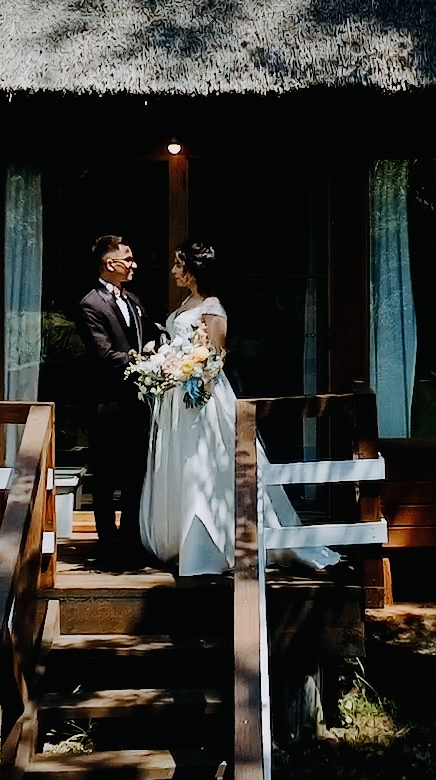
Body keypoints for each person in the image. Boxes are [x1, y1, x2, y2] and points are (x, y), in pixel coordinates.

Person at [137, 239, 339, 577]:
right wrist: (163, 365)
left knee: (204, 464)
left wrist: (189, 376)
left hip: (202, 398)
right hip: (177, 399)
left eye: (178, 264)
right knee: (181, 464)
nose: (173, 270)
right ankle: (180, 541)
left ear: (193, 270)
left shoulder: (213, 306)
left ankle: (208, 547)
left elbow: (215, 358)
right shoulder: (187, 302)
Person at [75, 235, 151, 566]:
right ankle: (107, 546)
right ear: (110, 263)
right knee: (106, 477)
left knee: (136, 474)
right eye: (128, 259)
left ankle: (131, 541)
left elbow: (141, 338)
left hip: (136, 403)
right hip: (107, 404)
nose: (134, 265)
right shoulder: (90, 304)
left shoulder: (133, 300)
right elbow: (103, 354)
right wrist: (145, 361)